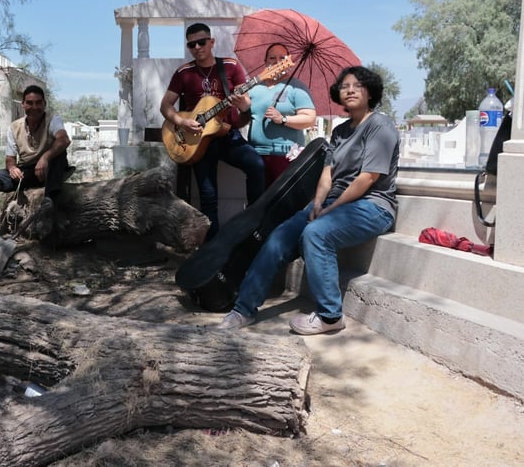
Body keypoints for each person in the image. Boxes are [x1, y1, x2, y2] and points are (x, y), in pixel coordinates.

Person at [218, 66, 399, 335]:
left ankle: (330, 315)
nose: (349, 90)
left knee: (315, 233)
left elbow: (368, 179)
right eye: (345, 85)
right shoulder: (339, 132)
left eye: (357, 85)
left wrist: (330, 209)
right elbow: (328, 174)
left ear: (370, 91)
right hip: (334, 204)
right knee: (279, 235)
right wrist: (317, 204)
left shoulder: (380, 125)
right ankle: (243, 309)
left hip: (372, 205)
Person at [160, 23, 265, 240]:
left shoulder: (231, 66)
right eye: (191, 44)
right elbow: (165, 105)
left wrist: (244, 106)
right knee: (208, 197)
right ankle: (212, 247)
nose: (197, 47)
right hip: (197, 140)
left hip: (226, 135)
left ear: (212, 42)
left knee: (256, 165)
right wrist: (182, 121)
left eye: (201, 42)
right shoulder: (183, 72)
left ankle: (254, 224)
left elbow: (244, 117)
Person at [0, 84, 71, 245]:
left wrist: (45, 157)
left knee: (58, 156)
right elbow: (10, 158)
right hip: (28, 171)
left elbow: (64, 140)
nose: (35, 107)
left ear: (44, 104)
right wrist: (12, 168)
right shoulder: (14, 127)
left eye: (38, 103)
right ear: (23, 105)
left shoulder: (53, 120)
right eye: (30, 103)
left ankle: (49, 201)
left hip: (50, 169)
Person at [247, 43, 317, 186]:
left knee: (280, 203)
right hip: (255, 155)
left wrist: (283, 119)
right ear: (265, 62)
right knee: (255, 202)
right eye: (272, 57)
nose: (277, 61)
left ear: (288, 62)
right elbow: (244, 116)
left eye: (282, 58)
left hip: (284, 155)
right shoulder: (254, 88)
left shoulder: (297, 87)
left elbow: (310, 118)